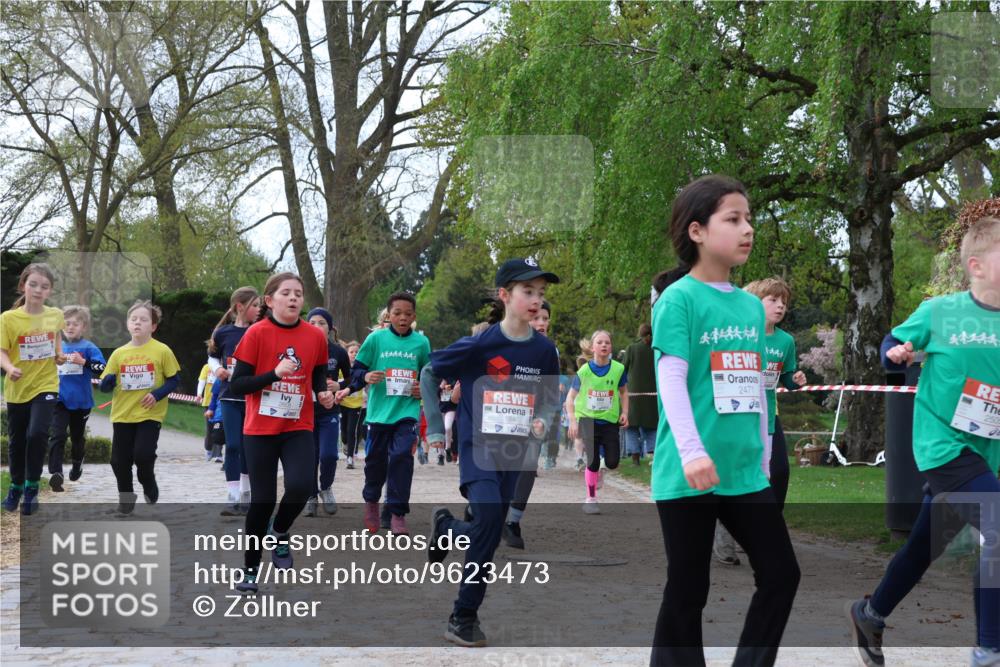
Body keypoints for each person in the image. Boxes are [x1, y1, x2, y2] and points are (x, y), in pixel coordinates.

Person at [650, 175, 799, 666]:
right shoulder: (679, 299)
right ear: (697, 231)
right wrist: (692, 452)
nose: (747, 229)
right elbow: (671, 381)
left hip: (743, 473)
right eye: (733, 219)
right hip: (688, 471)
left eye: (749, 218)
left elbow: (755, 385)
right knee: (689, 589)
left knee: (781, 574)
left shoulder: (751, 308)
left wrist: (760, 451)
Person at [846, 216, 1000, 667]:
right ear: (977, 266)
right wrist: (894, 352)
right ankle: (989, 649)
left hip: (987, 451)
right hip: (943, 446)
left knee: (924, 545)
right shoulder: (940, 312)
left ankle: (871, 614)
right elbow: (893, 341)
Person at [422, 257, 561, 647]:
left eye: (541, 293)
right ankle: (462, 617)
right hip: (477, 449)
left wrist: (542, 420)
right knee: (486, 523)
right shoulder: (481, 344)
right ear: (505, 295)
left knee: (488, 530)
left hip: (513, 456)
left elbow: (550, 398)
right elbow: (430, 373)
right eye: (527, 292)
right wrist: (435, 426)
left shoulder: (544, 351)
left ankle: (447, 528)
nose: (536, 300)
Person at [228, 272, 334, 593]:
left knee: (302, 487)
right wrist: (273, 374)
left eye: (298, 294)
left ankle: (281, 530)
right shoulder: (256, 335)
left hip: (297, 425)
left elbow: (316, 377)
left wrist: (323, 394)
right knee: (263, 500)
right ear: (270, 300)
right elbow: (238, 384)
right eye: (286, 293)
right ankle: (250, 570)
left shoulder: (315, 338)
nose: (293, 298)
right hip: (260, 429)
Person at [337, 292, 430, 536]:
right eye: (397, 313)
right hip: (378, 415)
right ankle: (371, 504)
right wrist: (365, 377)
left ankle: (398, 513)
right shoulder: (376, 339)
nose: (402, 318)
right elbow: (357, 371)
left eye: (408, 314)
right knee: (375, 464)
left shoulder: (421, 343)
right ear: (388, 315)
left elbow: (429, 375)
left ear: (414, 317)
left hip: (407, 412)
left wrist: (423, 387)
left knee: (402, 457)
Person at [99, 301, 181, 514]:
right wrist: (106, 382)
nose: (138, 323)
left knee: (143, 455)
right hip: (122, 414)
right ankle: (126, 500)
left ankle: (148, 481)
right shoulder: (118, 354)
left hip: (149, 414)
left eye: (143, 320)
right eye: (134, 319)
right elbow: (105, 384)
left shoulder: (162, 350)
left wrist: (156, 394)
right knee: (118, 461)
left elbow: (174, 380)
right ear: (127, 324)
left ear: (153, 326)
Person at [1, 263, 67, 515]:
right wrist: (8, 368)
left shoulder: (55, 315)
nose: (38, 290)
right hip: (18, 387)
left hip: (46, 384)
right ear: (23, 286)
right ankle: (15, 486)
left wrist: (59, 354)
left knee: (37, 434)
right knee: (17, 441)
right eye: (34, 284)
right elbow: (2, 351)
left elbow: (57, 339)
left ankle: (31, 488)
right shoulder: (8, 319)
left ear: (50, 291)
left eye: (45, 286)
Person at [502, 300, 557, 548]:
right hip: (503, 416)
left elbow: (550, 392)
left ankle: (513, 521)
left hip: (533, 419)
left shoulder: (549, 352)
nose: (542, 323)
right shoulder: (508, 343)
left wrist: (543, 418)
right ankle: (481, 511)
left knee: (528, 465)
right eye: (537, 319)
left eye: (545, 319)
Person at [207, 287, 260, 515]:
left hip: (253, 397)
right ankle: (232, 495)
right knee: (234, 446)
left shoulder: (260, 331)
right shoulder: (223, 333)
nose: (259, 310)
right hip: (229, 396)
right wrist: (217, 368)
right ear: (240, 306)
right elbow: (212, 355)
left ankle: (246, 494)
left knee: (249, 447)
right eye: (255, 305)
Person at [565, 330, 629, 514]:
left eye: (607, 342)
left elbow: (624, 392)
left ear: (611, 347)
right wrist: (572, 421)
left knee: (613, 462)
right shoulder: (584, 371)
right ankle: (591, 498)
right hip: (588, 419)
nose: (604, 345)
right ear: (592, 347)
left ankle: (601, 469)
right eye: (600, 342)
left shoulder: (618, 369)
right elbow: (570, 398)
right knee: (592, 461)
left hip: (610, 421)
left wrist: (625, 412)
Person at [47, 305, 106, 488]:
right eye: (67, 323)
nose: (70, 327)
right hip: (59, 400)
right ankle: (56, 473)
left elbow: (103, 369)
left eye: (75, 324)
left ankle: (77, 463)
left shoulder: (88, 347)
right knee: (57, 436)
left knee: (77, 437)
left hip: (81, 402)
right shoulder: (57, 346)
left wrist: (85, 362)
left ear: (84, 327)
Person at [304, 307, 349, 516]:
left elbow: (351, 378)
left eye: (321, 323)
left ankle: (326, 487)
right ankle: (311, 496)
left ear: (330, 327)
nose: (316, 326)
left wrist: (338, 386)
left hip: (329, 411)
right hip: (304, 412)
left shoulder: (338, 352)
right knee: (309, 457)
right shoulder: (300, 348)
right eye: (312, 322)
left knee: (329, 454)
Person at [623, 323, 658, 466]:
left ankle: (635, 459)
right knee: (651, 428)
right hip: (652, 397)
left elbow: (622, 370)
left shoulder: (632, 348)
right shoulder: (656, 349)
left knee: (631, 428)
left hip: (633, 396)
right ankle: (653, 457)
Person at [339, 341, 364, 469]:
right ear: (347, 354)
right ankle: (345, 443)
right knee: (343, 432)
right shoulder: (342, 367)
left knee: (352, 430)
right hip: (342, 403)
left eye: (357, 352)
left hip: (356, 405)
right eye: (351, 352)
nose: (354, 354)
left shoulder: (361, 368)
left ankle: (350, 458)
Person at [197, 361, 222, 462]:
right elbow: (202, 381)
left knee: (220, 427)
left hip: (220, 403)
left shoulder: (223, 368)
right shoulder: (206, 367)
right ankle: (208, 449)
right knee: (210, 428)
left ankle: (218, 454)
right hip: (208, 402)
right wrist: (199, 393)